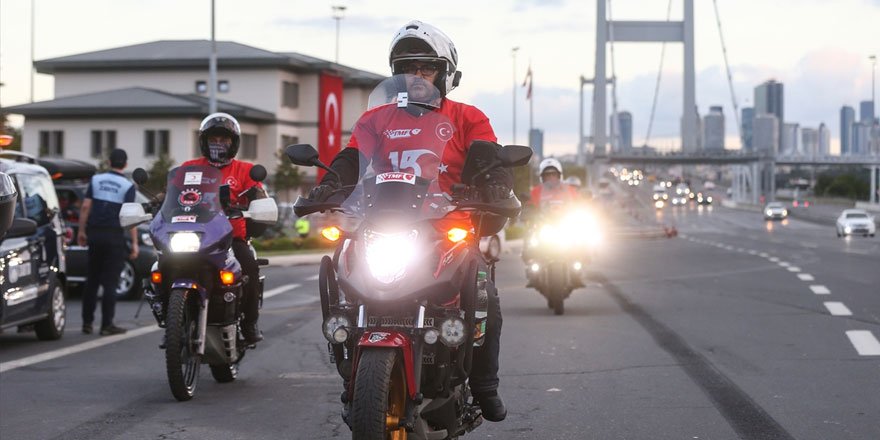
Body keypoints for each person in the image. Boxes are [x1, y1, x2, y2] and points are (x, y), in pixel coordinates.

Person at [307, 20, 511, 422]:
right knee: (343, 280)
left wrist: (497, 185)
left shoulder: (466, 116)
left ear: (445, 73)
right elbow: (352, 159)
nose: (416, 76)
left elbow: (489, 157)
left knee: (484, 295)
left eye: (426, 68)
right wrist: (330, 182)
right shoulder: (376, 119)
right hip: (382, 225)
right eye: (407, 68)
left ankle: (485, 384)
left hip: (445, 230)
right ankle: (353, 367)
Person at [182, 112, 266, 344]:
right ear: (204, 142)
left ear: (233, 143)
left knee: (249, 268)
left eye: (224, 140)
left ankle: (249, 322)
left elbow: (260, 195)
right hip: (194, 235)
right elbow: (172, 192)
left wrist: (257, 199)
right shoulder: (190, 168)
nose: (218, 144)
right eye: (213, 140)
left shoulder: (245, 170)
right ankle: (170, 312)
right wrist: (157, 200)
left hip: (230, 238)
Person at [77, 149, 137, 335]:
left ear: (109, 161)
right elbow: (130, 217)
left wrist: (81, 230)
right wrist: (134, 243)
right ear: (125, 164)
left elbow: (86, 206)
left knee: (92, 279)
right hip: (114, 236)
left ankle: (87, 323)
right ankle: (106, 325)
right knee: (110, 282)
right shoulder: (127, 186)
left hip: (95, 234)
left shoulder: (96, 180)